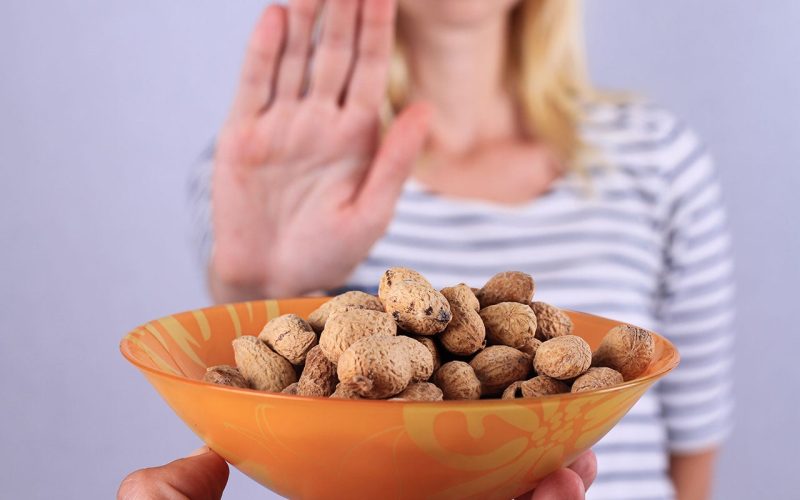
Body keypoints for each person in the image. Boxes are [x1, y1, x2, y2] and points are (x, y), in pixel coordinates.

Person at [123, 0, 735, 498]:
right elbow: (267, 397)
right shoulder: (287, 162)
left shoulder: (656, 156)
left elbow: (694, 441)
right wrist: (255, 285)